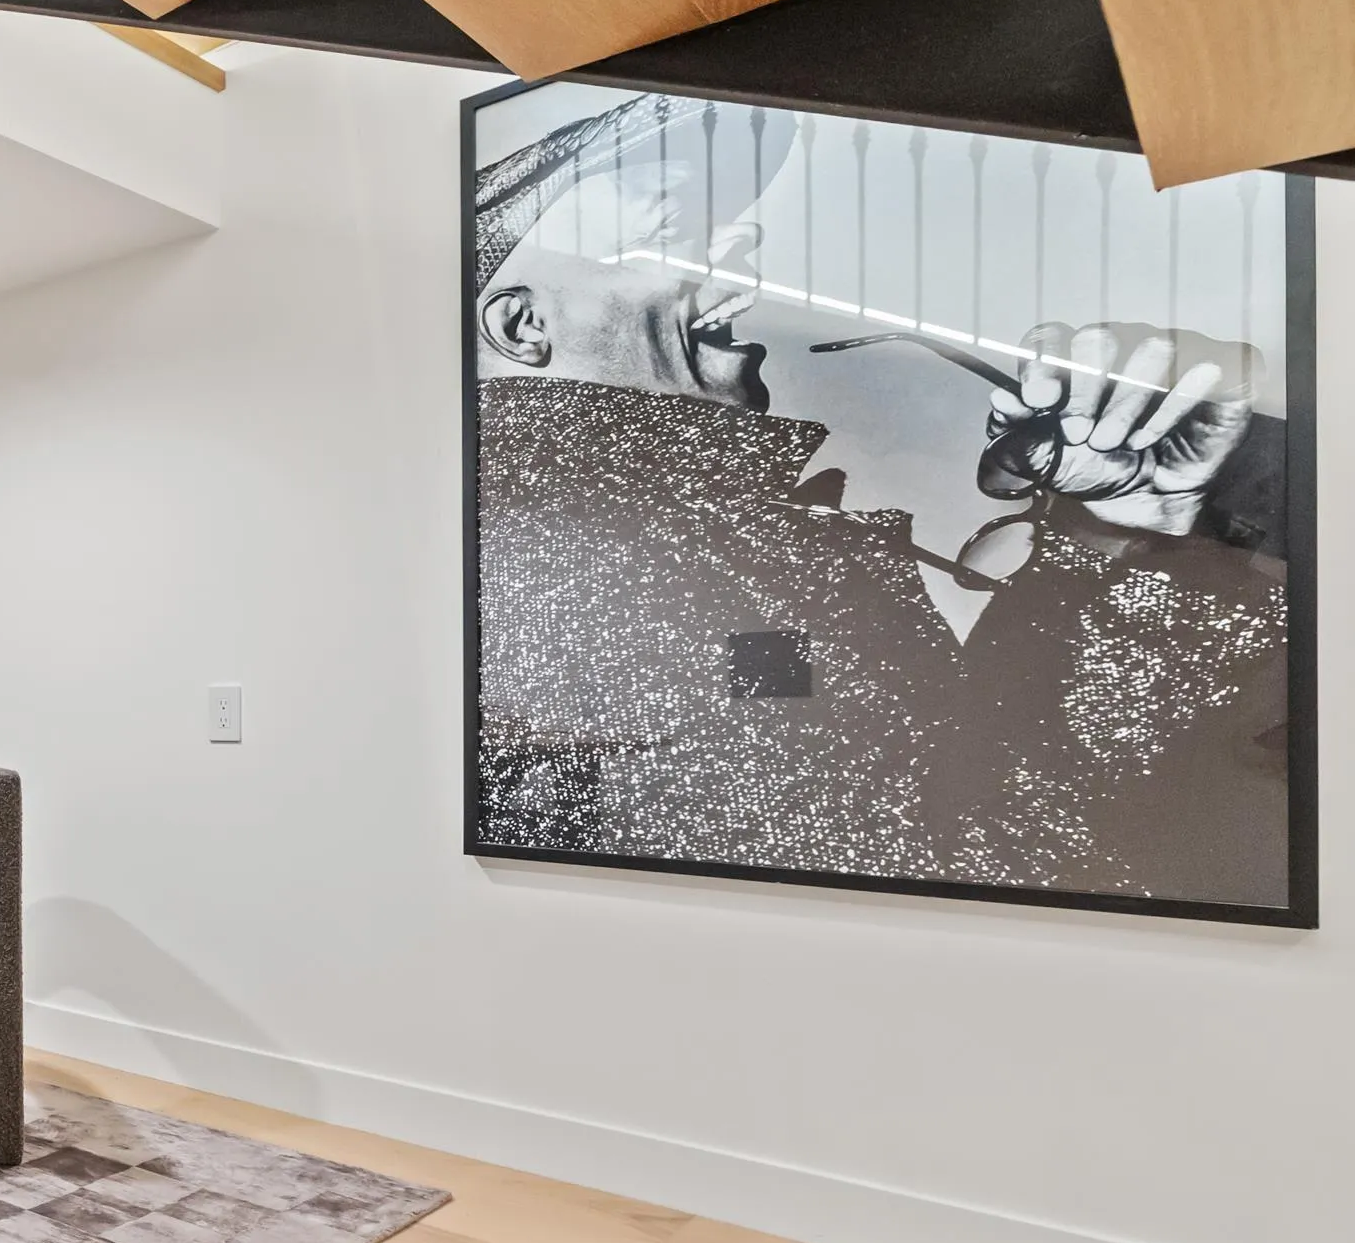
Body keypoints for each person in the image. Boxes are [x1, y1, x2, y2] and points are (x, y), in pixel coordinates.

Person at [468, 95, 1291, 906]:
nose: (742, 248)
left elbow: (978, 776)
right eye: (662, 234)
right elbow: (1002, 860)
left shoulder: (673, 535)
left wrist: (1129, 525)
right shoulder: (596, 570)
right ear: (522, 326)